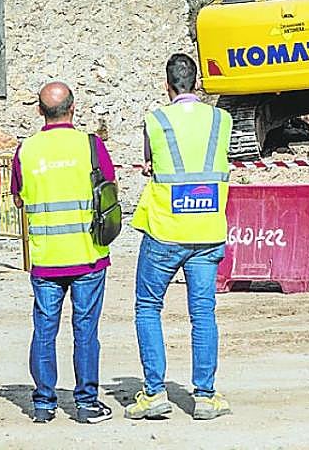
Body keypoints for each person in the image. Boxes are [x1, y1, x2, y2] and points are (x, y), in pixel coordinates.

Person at [125, 52, 232, 421]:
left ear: (166, 85)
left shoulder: (154, 121)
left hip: (166, 230)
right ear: (198, 83)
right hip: (207, 230)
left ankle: (155, 392)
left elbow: (149, 164)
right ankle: (205, 396)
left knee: (148, 307)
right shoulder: (223, 119)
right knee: (203, 314)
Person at [11, 81, 115, 425]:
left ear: (40, 112)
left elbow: (18, 197)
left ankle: (43, 403)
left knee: (44, 329)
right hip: (88, 255)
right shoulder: (90, 146)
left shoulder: (26, 151)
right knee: (85, 330)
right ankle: (86, 403)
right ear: (73, 108)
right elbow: (110, 192)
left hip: (46, 259)